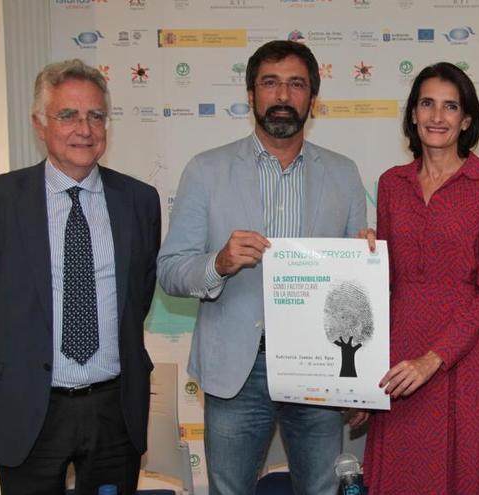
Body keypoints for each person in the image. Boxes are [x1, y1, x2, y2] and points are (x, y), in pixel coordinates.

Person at [156, 40, 367, 495]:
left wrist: (365, 258)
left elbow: (354, 287)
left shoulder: (344, 173)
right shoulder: (205, 171)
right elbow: (171, 270)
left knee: (323, 490)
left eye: (296, 84)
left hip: (320, 369)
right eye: (270, 83)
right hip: (238, 367)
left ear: (313, 97)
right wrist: (219, 263)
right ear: (251, 95)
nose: (283, 96)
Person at [0, 59, 161, 494]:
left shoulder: (139, 201)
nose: (84, 128)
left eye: (96, 116)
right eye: (67, 115)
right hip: (29, 405)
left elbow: (137, 295)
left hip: (114, 408)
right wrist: (14, 359)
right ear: (39, 124)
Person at [360, 62, 479, 494]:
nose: (437, 116)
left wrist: (433, 359)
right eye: (427, 103)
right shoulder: (391, 184)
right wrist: (365, 255)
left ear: (466, 120)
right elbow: (387, 286)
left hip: (462, 365)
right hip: (399, 362)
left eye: (451, 107)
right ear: (412, 113)